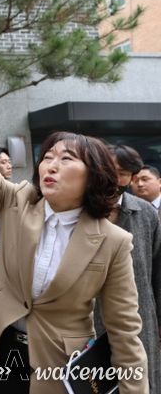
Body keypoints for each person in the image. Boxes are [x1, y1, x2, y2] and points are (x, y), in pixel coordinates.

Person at [0, 67, 148, 394]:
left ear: (93, 175)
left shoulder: (113, 241)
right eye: (47, 156)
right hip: (6, 350)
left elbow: (124, 330)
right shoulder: (18, 201)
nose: (51, 164)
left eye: (66, 159)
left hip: (62, 364)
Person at [99, 145, 160, 394]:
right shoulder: (81, 209)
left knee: (141, 381)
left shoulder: (146, 213)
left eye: (122, 173)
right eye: (108, 170)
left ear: (132, 177)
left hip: (140, 317)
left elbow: (157, 272)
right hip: (92, 319)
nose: (113, 178)